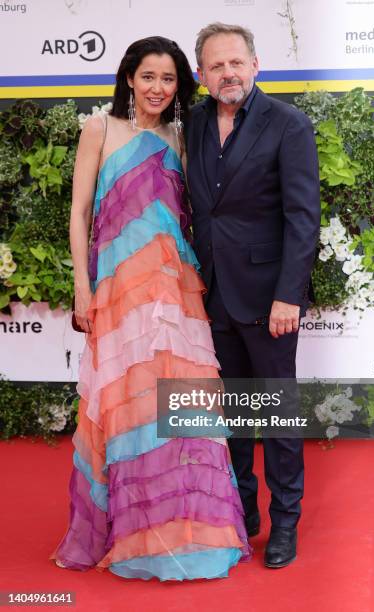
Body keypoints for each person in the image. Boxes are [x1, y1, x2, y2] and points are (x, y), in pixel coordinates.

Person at [50, 36, 250, 581]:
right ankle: (132, 534)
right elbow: (80, 212)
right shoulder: (101, 129)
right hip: (118, 292)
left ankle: (183, 530)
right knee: (126, 408)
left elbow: (192, 215)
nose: (157, 88)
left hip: (173, 293)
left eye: (168, 79)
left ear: (179, 86)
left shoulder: (182, 137)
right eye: (148, 77)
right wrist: (83, 289)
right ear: (129, 79)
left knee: (181, 412)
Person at [185, 23, 321, 568]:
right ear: (201, 76)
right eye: (216, 66)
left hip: (270, 301)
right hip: (210, 294)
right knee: (233, 415)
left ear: (256, 64)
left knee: (278, 416)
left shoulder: (288, 124)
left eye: (236, 63)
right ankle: (243, 512)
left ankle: (285, 522)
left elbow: (302, 217)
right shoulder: (192, 123)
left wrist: (289, 294)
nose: (228, 74)